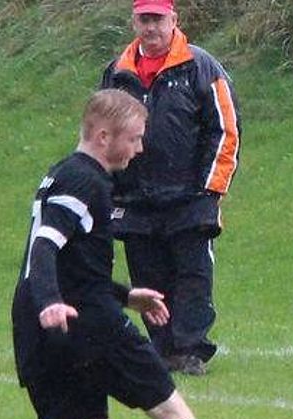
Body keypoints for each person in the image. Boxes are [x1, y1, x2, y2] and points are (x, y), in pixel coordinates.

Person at [0, 89, 293, 419]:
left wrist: (124, 295)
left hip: (43, 330)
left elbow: (70, 265)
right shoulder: (87, 182)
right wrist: (52, 302)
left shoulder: (61, 174)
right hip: (85, 326)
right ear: (104, 137)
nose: (140, 150)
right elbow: (44, 248)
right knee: (173, 410)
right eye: (135, 139)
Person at [98, 0, 241, 376]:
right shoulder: (117, 73)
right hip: (134, 200)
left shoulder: (201, 67)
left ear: (173, 20)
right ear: (134, 22)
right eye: (144, 19)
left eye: (158, 20)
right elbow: (102, 133)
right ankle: (162, 351)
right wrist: (108, 187)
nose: (151, 28)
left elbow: (225, 130)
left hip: (191, 197)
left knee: (193, 276)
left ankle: (191, 350)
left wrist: (210, 190)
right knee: (148, 277)